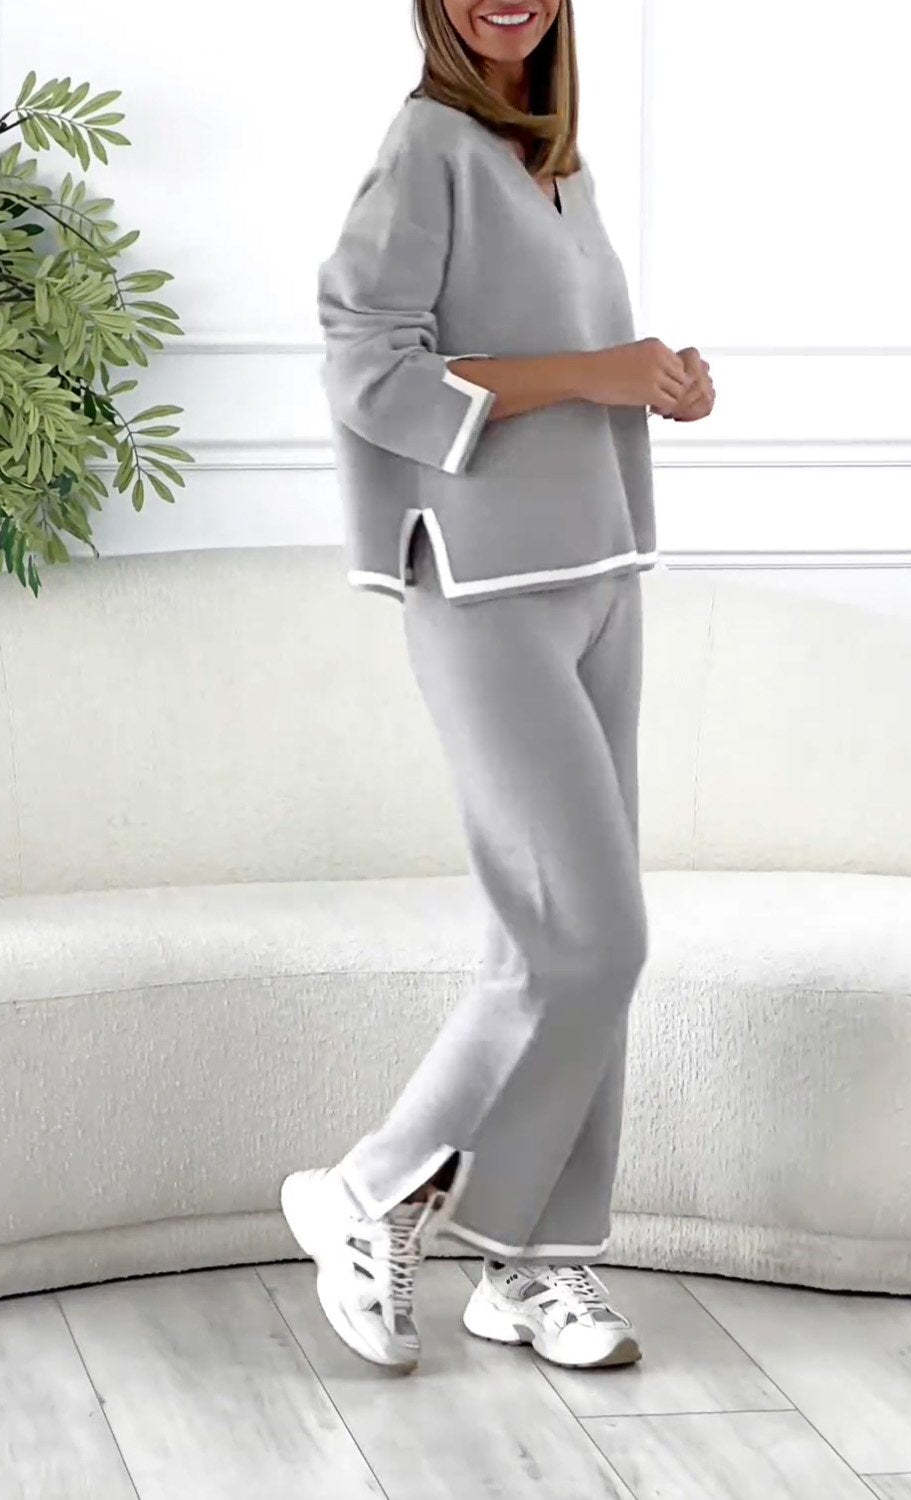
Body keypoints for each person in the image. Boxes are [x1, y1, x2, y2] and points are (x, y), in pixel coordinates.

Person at [281, 0, 715, 1375]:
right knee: (590, 939)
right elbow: (367, 360)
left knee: (563, 946)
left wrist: (654, 384)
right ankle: (371, 1189)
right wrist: (598, 371)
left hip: (598, 570)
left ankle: (533, 1263)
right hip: (481, 585)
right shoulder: (429, 144)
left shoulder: (553, 158)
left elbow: (555, 364)